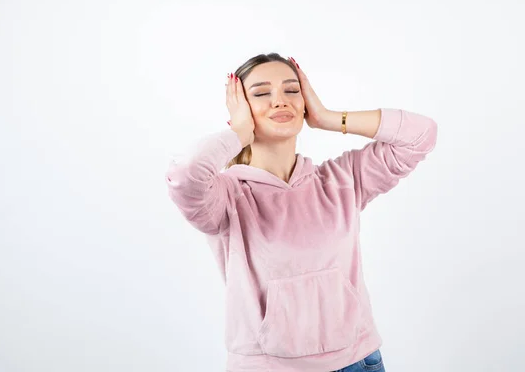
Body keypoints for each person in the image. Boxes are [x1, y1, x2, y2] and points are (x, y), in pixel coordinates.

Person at [165, 52, 438, 372]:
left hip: (358, 361)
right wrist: (239, 133)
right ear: (240, 108)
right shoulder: (226, 197)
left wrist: (329, 118)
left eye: (292, 91)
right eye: (261, 93)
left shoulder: (342, 179)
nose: (280, 101)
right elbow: (184, 173)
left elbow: (421, 134)